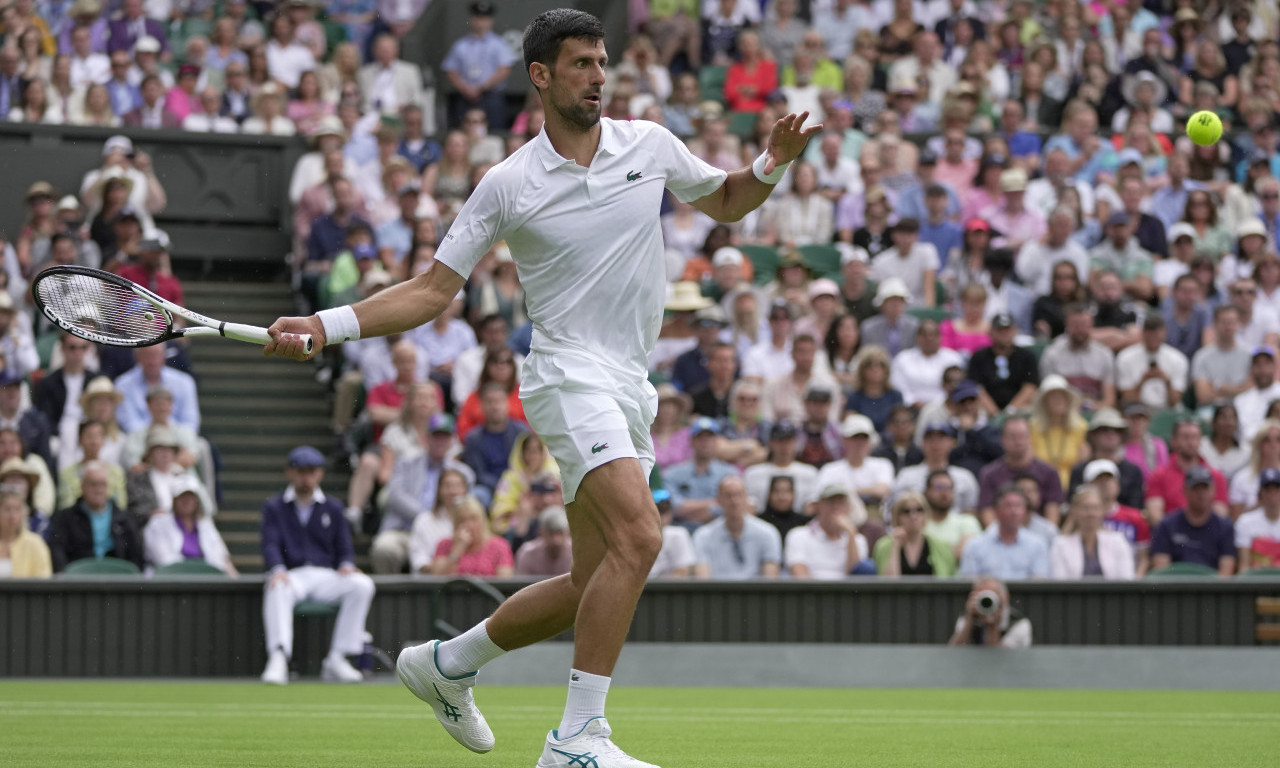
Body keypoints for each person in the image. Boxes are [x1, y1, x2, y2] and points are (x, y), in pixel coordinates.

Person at [264, 9, 820, 764]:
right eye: (582, 64)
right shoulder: (507, 183)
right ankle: (577, 739)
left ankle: (446, 663)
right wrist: (328, 324)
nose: (598, 76)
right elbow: (433, 289)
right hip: (565, 375)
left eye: (602, 62)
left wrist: (770, 165)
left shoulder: (648, 144)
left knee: (592, 577)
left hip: (630, 384)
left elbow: (723, 201)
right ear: (542, 75)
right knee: (641, 536)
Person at [259, 446, 375, 686]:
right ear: (290, 473)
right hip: (293, 576)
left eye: (311, 472)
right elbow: (270, 544)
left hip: (326, 576)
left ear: (320, 474)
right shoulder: (274, 507)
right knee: (276, 587)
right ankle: (279, 657)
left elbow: (344, 546)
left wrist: (346, 564)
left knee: (362, 585)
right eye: (301, 472)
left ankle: (338, 657)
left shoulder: (333, 508)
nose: (306, 478)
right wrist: (277, 569)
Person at [47, 461, 143, 572]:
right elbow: (58, 553)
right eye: (93, 484)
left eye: (103, 484)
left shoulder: (124, 518)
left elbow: (136, 555)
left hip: (116, 580)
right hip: (79, 582)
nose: (98, 490)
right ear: (82, 487)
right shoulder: (65, 518)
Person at [1149, 465, 1237, 576]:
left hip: (1212, 590)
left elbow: (1226, 573)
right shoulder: (1167, 525)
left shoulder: (1225, 527)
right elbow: (1161, 571)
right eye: (1195, 488)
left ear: (1213, 490)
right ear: (1185, 491)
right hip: (1175, 589)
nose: (1201, 494)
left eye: (1205, 488)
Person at [691, 475, 782, 579]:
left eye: (739, 495)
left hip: (756, 594)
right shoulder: (703, 536)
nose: (734, 501)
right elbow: (703, 580)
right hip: (716, 593)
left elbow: (770, 581)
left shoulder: (767, 533)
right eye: (728, 495)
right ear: (718, 499)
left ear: (746, 498)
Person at [977, 416, 1063, 526]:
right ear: (1002, 440)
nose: (1018, 442)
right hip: (1002, 533)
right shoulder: (989, 474)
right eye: (1012, 437)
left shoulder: (1050, 472)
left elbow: (1053, 514)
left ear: (1030, 438)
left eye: (1022, 436)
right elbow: (986, 512)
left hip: (1039, 533)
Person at [143, 476, 236, 575]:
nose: (187, 501)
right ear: (175, 500)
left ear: (196, 500)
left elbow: (222, 559)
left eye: (190, 496)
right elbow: (165, 561)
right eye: (182, 496)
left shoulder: (206, 524)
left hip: (206, 582)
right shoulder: (158, 524)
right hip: (171, 584)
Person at [1146, 419, 1229, 525]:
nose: (1190, 442)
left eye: (1195, 437)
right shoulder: (1159, 475)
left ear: (1200, 441)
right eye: (1185, 437)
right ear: (1174, 441)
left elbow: (1220, 515)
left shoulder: (1216, 476)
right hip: (1171, 536)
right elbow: (1155, 516)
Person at [959, 484, 1050, 579]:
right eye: (1008, 506)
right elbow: (968, 581)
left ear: (1025, 510)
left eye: (1018, 506)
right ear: (996, 510)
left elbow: (1040, 581)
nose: (1014, 511)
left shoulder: (1037, 544)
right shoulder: (975, 545)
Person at [665, 416, 740, 529]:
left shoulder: (730, 473)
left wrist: (690, 510)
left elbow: (737, 505)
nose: (705, 442)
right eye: (700, 438)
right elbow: (675, 507)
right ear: (691, 441)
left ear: (716, 441)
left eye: (709, 437)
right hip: (683, 531)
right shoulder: (672, 474)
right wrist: (717, 503)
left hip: (719, 532)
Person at [784, 483, 870, 579]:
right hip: (810, 592)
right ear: (819, 506)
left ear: (848, 508)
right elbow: (800, 575)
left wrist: (851, 534)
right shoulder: (798, 535)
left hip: (847, 593)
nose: (836, 507)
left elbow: (856, 576)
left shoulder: (857, 539)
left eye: (841, 503)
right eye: (831, 502)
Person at [1049, 486, 1135, 579]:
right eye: (1085, 508)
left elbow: (1127, 579)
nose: (1091, 513)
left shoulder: (1118, 541)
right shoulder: (1060, 544)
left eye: (1095, 508)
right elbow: (1059, 581)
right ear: (1074, 511)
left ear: (1102, 510)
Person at [816, 414, 894, 512]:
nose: (859, 443)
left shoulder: (883, 464)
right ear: (844, 440)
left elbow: (882, 490)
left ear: (870, 441)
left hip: (876, 518)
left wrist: (845, 493)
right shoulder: (829, 469)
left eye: (864, 438)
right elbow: (822, 498)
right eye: (854, 438)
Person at [968, 312, 1039, 414]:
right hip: (985, 410)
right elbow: (977, 388)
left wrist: (1011, 410)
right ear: (991, 332)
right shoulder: (979, 357)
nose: (1004, 334)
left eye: (1008, 330)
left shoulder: (1027, 356)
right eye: (1000, 330)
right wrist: (994, 412)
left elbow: (1030, 387)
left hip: (1020, 409)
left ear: (1015, 331)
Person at [874, 492, 957, 576]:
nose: (913, 516)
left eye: (919, 510)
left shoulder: (941, 546)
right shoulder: (884, 545)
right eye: (906, 511)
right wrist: (895, 546)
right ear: (897, 516)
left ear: (926, 514)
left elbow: (947, 581)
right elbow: (887, 584)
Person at [1116, 314, 1188, 410]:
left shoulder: (1178, 359)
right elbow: (1128, 399)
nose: (1153, 337)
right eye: (1150, 332)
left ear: (1164, 332)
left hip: (1167, 411)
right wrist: (1143, 381)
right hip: (1137, 411)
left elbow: (1174, 401)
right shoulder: (1125, 357)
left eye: (1156, 333)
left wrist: (1166, 381)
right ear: (1143, 333)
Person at [432, 495, 516, 577]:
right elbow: (437, 578)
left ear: (482, 520)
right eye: (462, 520)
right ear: (455, 524)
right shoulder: (444, 545)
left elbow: (504, 582)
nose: (469, 525)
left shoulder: (500, 546)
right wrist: (456, 550)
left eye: (473, 519)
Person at [407, 467, 468, 574]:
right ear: (439, 491)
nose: (453, 491)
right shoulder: (423, 520)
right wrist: (445, 568)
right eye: (447, 486)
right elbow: (419, 561)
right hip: (431, 583)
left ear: (465, 490)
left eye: (457, 486)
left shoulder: (474, 520)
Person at [948, 578, 1032, 648]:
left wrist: (992, 627)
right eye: (982, 597)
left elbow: (1000, 661)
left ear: (1005, 597)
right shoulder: (968, 616)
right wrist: (969, 621)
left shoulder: (1019, 623)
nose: (987, 603)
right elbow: (954, 653)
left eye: (991, 596)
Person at [0, 487, 51, 578]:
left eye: (17, 509)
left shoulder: (36, 543)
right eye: (7, 509)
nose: (12, 515)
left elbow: (44, 582)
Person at [1236, 467, 1280, 573]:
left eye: (1276, 489)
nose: (1272, 494)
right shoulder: (1245, 522)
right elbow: (1244, 566)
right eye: (1268, 489)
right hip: (1256, 584)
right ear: (1260, 493)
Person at [514, 505, 574, 577]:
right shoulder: (527, 554)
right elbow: (521, 585)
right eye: (551, 533)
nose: (556, 540)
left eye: (560, 533)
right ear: (541, 533)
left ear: (568, 532)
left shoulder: (577, 553)